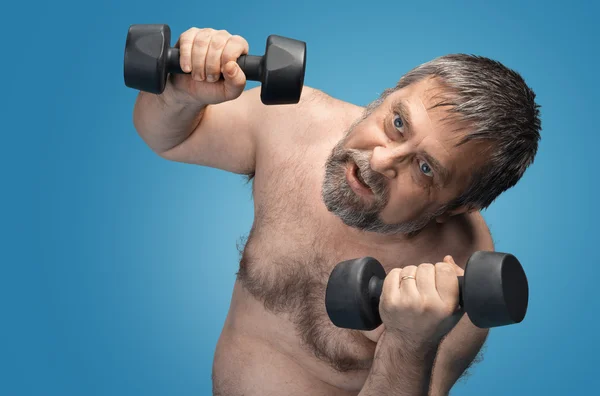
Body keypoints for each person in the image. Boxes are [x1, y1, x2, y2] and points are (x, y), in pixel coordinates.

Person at [132, 27, 541, 396]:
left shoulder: (455, 285)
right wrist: (180, 93)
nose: (381, 160)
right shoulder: (292, 123)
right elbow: (169, 138)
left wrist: (409, 341)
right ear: (383, 97)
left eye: (425, 168)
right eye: (397, 122)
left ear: (458, 206)